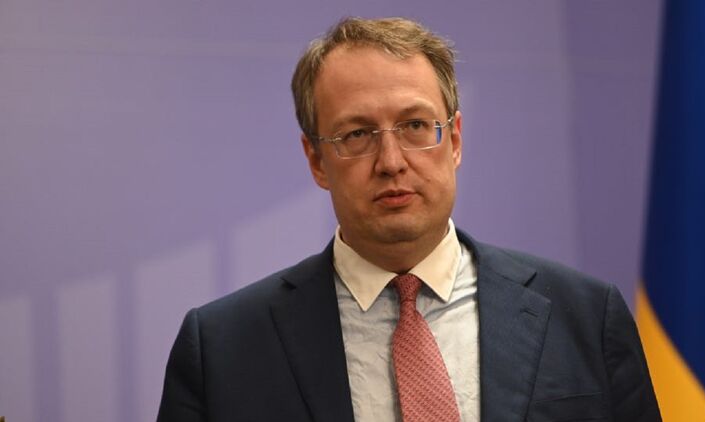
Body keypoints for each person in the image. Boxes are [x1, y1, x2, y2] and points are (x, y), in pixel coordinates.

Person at [157, 17, 661, 422]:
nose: (391, 161)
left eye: (416, 125)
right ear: (316, 161)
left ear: (454, 140)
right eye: (356, 135)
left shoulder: (585, 317)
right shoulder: (223, 349)